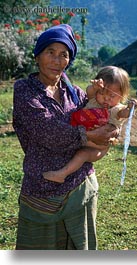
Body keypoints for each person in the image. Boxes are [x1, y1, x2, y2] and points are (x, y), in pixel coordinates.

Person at [12, 24, 119, 250]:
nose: (57, 60)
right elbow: (47, 131)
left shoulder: (76, 92)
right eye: (50, 52)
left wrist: (110, 130)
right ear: (38, 55)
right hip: (42, 191)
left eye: (64, 55)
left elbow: (97, 115)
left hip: (81, 188)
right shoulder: (25, 90)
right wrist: (90, 136)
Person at [43, 66, 137, 183]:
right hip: (87, 139)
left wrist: (131, 108)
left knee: (81, 154)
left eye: (112, 96)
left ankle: (62, 174)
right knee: (75, 146)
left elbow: (125, 113)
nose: (106, 99)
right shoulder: (93, 99)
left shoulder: (116, 109)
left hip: (99, 145)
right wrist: (94, 87)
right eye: (102, 94)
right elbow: (89, 91)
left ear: (122, 95)